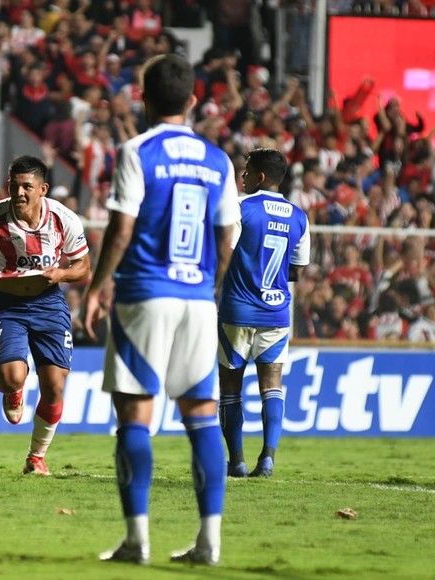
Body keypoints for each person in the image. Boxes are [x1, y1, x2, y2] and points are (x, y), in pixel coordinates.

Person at [82, 54, 239, 567]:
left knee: (134, 414)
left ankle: (136, 541)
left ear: (143, 99)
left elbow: (122, 228)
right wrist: (209, 287)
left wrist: (96, 286)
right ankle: (209, 542)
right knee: (201, 416)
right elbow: (226, 238)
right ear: (194, 101)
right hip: (196, 298)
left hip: (144, 294)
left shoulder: (136, 151)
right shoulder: (218, 159)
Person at [0, 155, 91, 476]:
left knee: (54, 385)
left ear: (43, 189)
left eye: (27, 187)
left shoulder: (63, 218)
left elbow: (83, 266)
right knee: (13, 377)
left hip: (49, 303)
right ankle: (12, 386)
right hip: (8, 306)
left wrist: (61, 275)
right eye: (14, 186)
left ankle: (36, 457)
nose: (19, 193)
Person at [217, 148, 311, 480]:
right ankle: (268, 458)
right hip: (276, 312)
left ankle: (237, 462)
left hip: (238, 310)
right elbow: (297, 270)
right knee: (272, 384)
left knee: (230, 387)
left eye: (246, 171)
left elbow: (224, 252)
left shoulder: (242, 209)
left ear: (259, 177)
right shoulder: (299, 216)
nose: (242, 177)